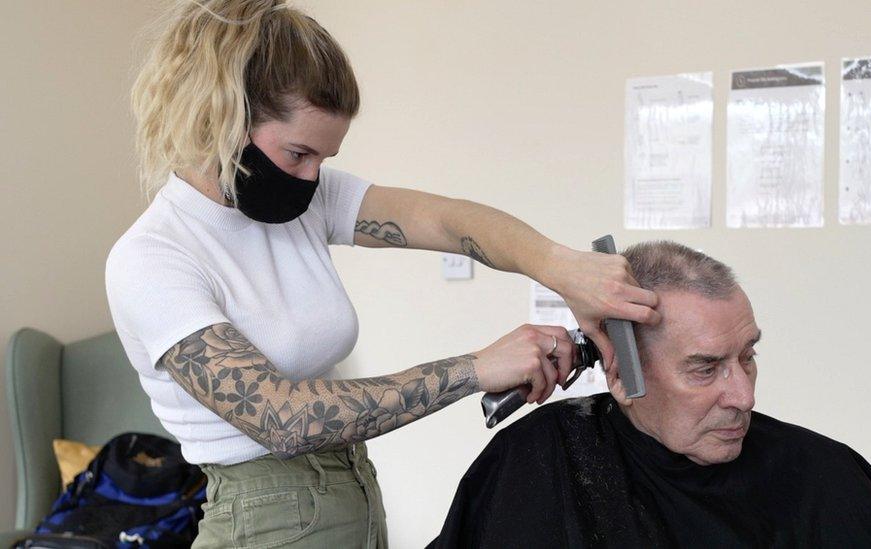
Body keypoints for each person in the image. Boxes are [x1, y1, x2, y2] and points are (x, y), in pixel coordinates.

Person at [104, 1, 658, 548]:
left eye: (324, 158)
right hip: (263, 519)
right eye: (298, 154)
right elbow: (283, 420)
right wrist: (474, 369)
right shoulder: (153, 259)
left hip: (353, 493)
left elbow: (448, 221)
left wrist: (564, 271)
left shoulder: (309, 199)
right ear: (220, 117)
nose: (312, 177)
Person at [430, 240, 871, 548]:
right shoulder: (538, 463)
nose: (743, 396)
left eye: (748, 356)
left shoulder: (818, 475)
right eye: (706, 368)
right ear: (620, 372)